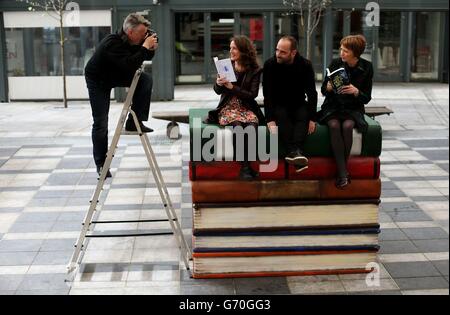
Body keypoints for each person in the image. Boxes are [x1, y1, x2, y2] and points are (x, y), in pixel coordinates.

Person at [85, 13, 158, 177]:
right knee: (101, 122)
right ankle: (101, 164)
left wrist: (150, 48)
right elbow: (129, 65)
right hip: (98, 79)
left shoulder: (134, 41)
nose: (144, 36)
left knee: (145, 80)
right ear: (130, 32)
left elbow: (142, 57)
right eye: (142, 33)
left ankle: (134, 121)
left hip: (117, 72)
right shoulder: (112, 43)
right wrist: (145, 47)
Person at [316, 34, 374, 189]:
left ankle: (342, 172)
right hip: (333, 106)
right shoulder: (335, 63)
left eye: (345, 51)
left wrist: (356, 91)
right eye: (341, 49)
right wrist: (327, 88)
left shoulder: (367, 67)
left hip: (353, 108)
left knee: (348, 126)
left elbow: (367, 97)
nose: (341, 53)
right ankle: (343, 174)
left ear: (355, 53)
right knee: (334, 125)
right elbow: (323, 89)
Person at [206, 35, 265, 180]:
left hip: (246, 107)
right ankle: (246, 168)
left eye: (234, 48)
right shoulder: (227, 65)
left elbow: (252, 94)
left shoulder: (255, 70)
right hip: (228, 107)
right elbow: (217, 91)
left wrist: (232, 87)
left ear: (243, 50)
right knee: (237, 127)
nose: (231, 51)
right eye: (230, 48)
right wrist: (219, 83)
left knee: (251, 127)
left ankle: (246, 168)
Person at [263, 36, 317, 172]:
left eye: (282, 52)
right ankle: (297, 154)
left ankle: (294, 153)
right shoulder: (270, 64)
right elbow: (267, 94)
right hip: (278, 104)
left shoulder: (305, 65)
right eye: (277, 50)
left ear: (293, 53)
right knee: (281, 115)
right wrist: (269, 119)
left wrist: (312, 118)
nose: (278, 54)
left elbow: (312, 93)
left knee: (303, 115)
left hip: (298, 103)